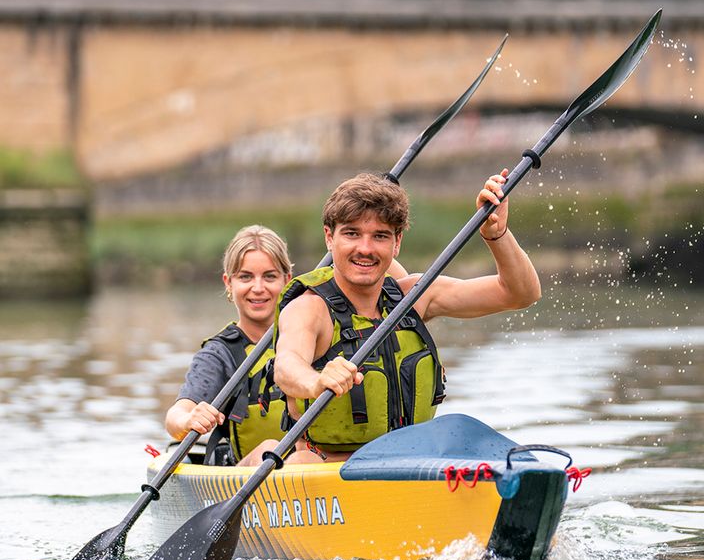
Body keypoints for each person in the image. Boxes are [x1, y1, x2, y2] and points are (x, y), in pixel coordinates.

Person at [272, 169, 541, 463]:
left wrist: (496, 234)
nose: (365, 248)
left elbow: (520, 294)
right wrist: (317, 381)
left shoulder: (414, 296)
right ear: (329, 237)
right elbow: (287, 366)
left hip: (412, 464)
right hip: (329, 469)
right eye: (351, 233)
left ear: (396, 243)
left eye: (380, 236)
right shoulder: (308, 308)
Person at [165, 225, 293, 467]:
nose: (258, 288)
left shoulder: (313, 335)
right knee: (270, 448)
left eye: (269, 276)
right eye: (246, 277)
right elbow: (175, 417)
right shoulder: (218, 354)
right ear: (229, 283)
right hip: (247, 474)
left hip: (309, 465)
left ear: (287, 280)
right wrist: (189, 419)